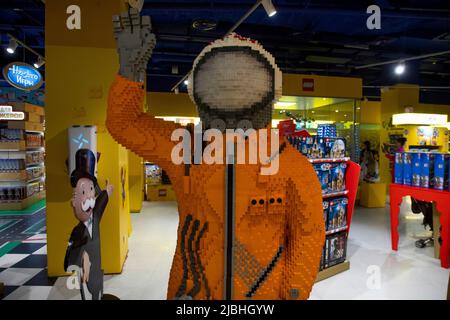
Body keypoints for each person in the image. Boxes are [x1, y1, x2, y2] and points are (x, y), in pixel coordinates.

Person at [105, 8, 324, 300]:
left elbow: (307, 232)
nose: (232, 83)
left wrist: (294, 290)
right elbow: (125, 124)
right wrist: (129, 73)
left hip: (261, 293)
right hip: (194, 291)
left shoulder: (288, 163)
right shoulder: (186, 148)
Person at [64, 149, 114, 300]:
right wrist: (75, 259)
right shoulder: (78, 232)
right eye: (83, 193)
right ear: (74, 201)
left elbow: (99, 204)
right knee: (87, 293)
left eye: (91, 190)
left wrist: (106, 192)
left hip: (97, 271)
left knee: (97, 291)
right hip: (84, 276)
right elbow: (69, 260)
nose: (89, 197)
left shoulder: (95, 217)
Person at [384, 137, 433, 248]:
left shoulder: (401, 151)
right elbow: (392, 157)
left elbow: (393, 158)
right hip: (397, 174)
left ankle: (397, 203)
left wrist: (387, 153)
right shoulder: (400, 151)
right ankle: (397, 203)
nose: (395, 143)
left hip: (399, 175)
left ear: (399, 142)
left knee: (398, 193)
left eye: (396, 141)